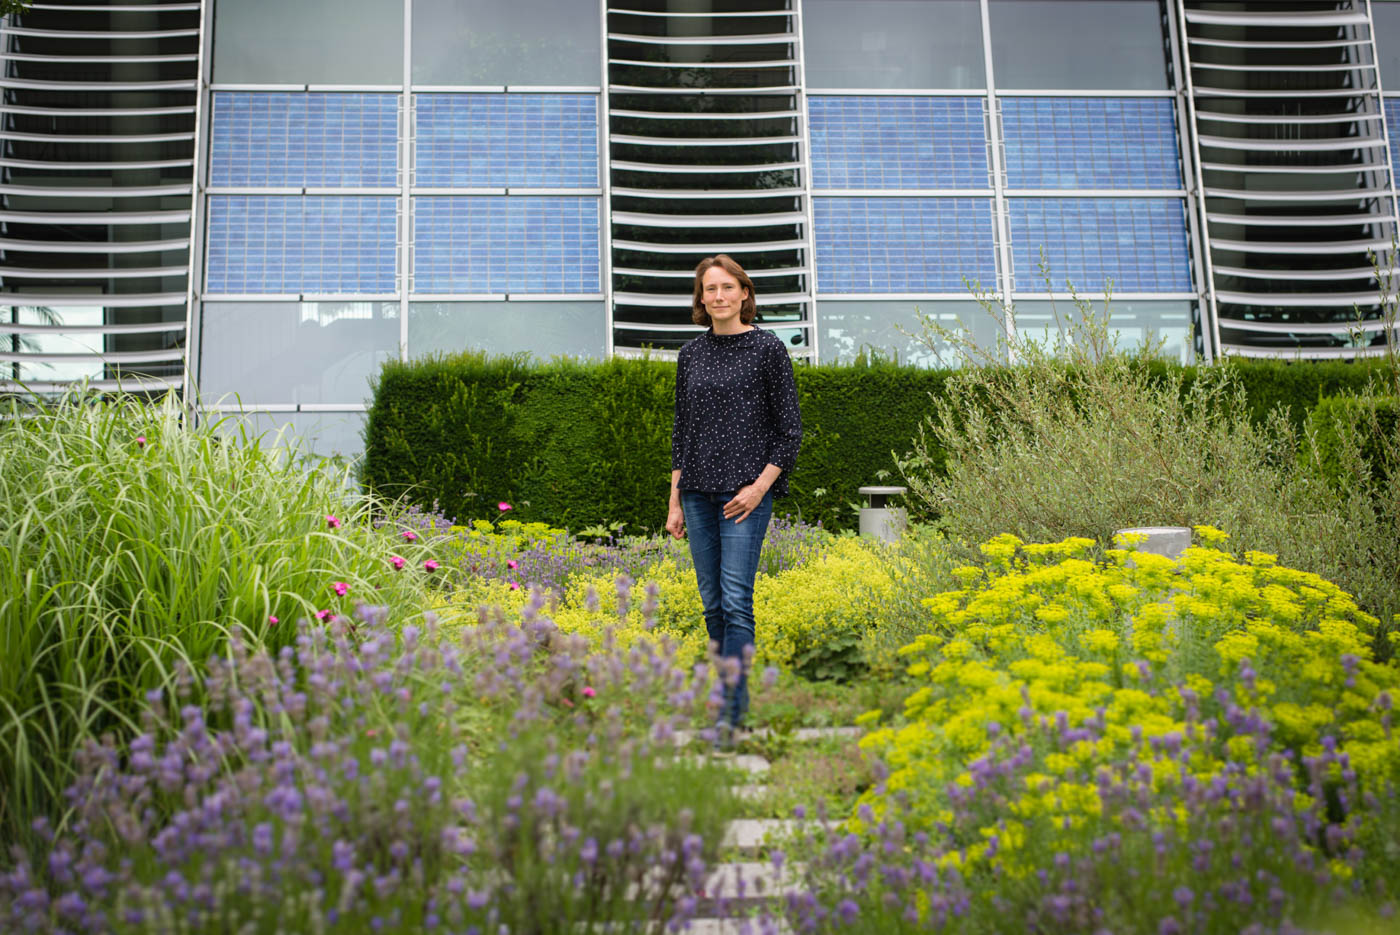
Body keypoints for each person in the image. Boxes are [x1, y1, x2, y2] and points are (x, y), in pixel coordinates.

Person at [665, 254, 802, 754]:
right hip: (698, 493)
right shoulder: (690, 355)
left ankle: (732, 717)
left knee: (736, 602)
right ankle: (726, 706)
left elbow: (789, 432)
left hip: (745, 495)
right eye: (709, 289)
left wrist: (759, 488)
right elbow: (682, 433)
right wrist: (674, 501)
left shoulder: (768, 350)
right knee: (712, 606)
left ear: (745, 293)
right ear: (700, 299)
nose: (719, 296)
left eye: (728, 287)